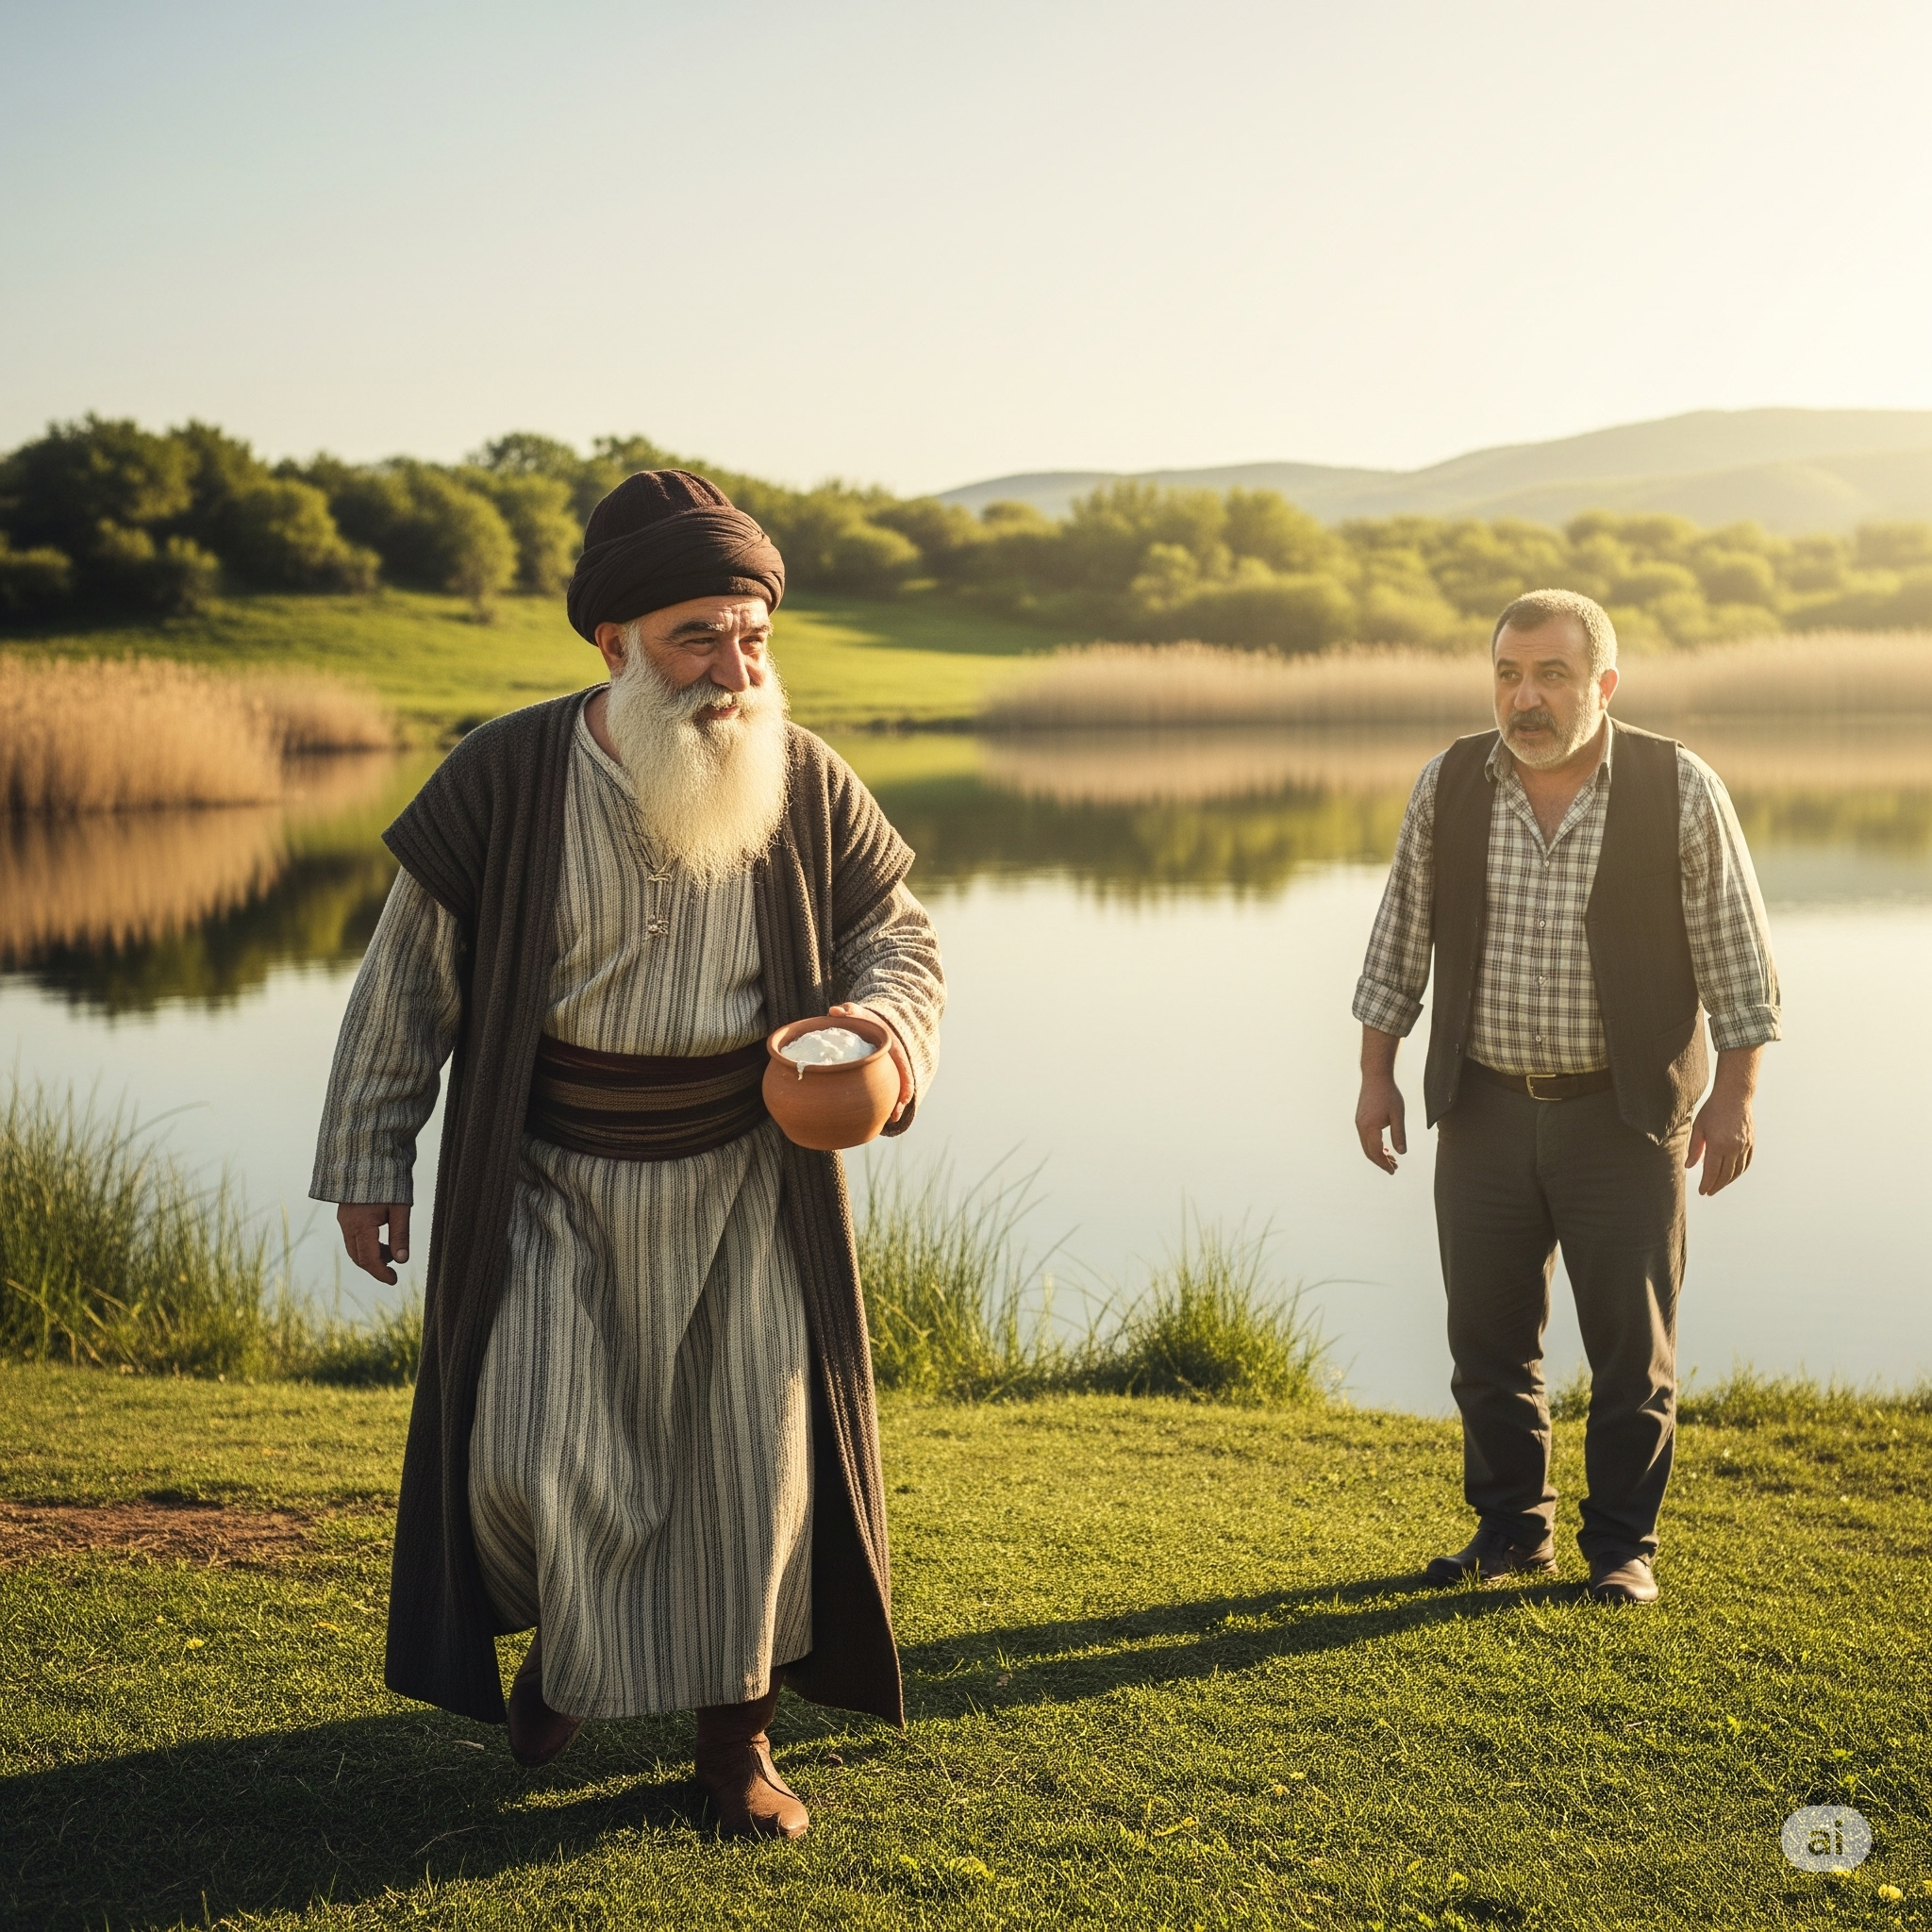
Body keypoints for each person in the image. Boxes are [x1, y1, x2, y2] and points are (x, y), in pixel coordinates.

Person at [311, 469, 944, 1840]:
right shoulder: (504, 775)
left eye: (753, 636)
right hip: (549, 1179)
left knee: (748, 1477)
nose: (734, 669)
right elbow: (406, 986)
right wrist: (372, 1159)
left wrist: (883, 1032)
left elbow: (900, 931)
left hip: (746, 1180)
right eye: (697, 638)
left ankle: (737, 1756)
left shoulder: (804, 773)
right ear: (615, 644)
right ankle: (581, 1656)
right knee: (531, 1455)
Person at [1350, 589, 1778, 1605]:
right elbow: (1396, 939)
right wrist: (1374, 1072)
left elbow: (1737, 961)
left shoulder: (1677, 786)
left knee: (1632, 1349)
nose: (1523, 697)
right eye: (1506, 673)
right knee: (1486, 1343)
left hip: (1624, 1113)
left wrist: (1734, 1096)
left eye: (1548, 674)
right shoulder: (1450, 781)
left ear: (1602, 684)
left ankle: (1622, 1549)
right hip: (1483, 1106)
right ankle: (1509, 1531)